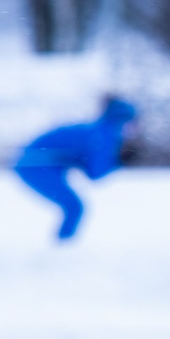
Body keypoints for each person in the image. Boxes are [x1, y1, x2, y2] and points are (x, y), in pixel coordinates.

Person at [12, 96, 137, 241]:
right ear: (124, 120)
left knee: (74, 207)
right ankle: (63, 248)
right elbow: (95, 174)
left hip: (37, 164)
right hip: (36, 166)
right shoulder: (104, 136)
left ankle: (63, 244)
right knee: (74, 207)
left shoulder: (97, 130)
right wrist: (119, 160)